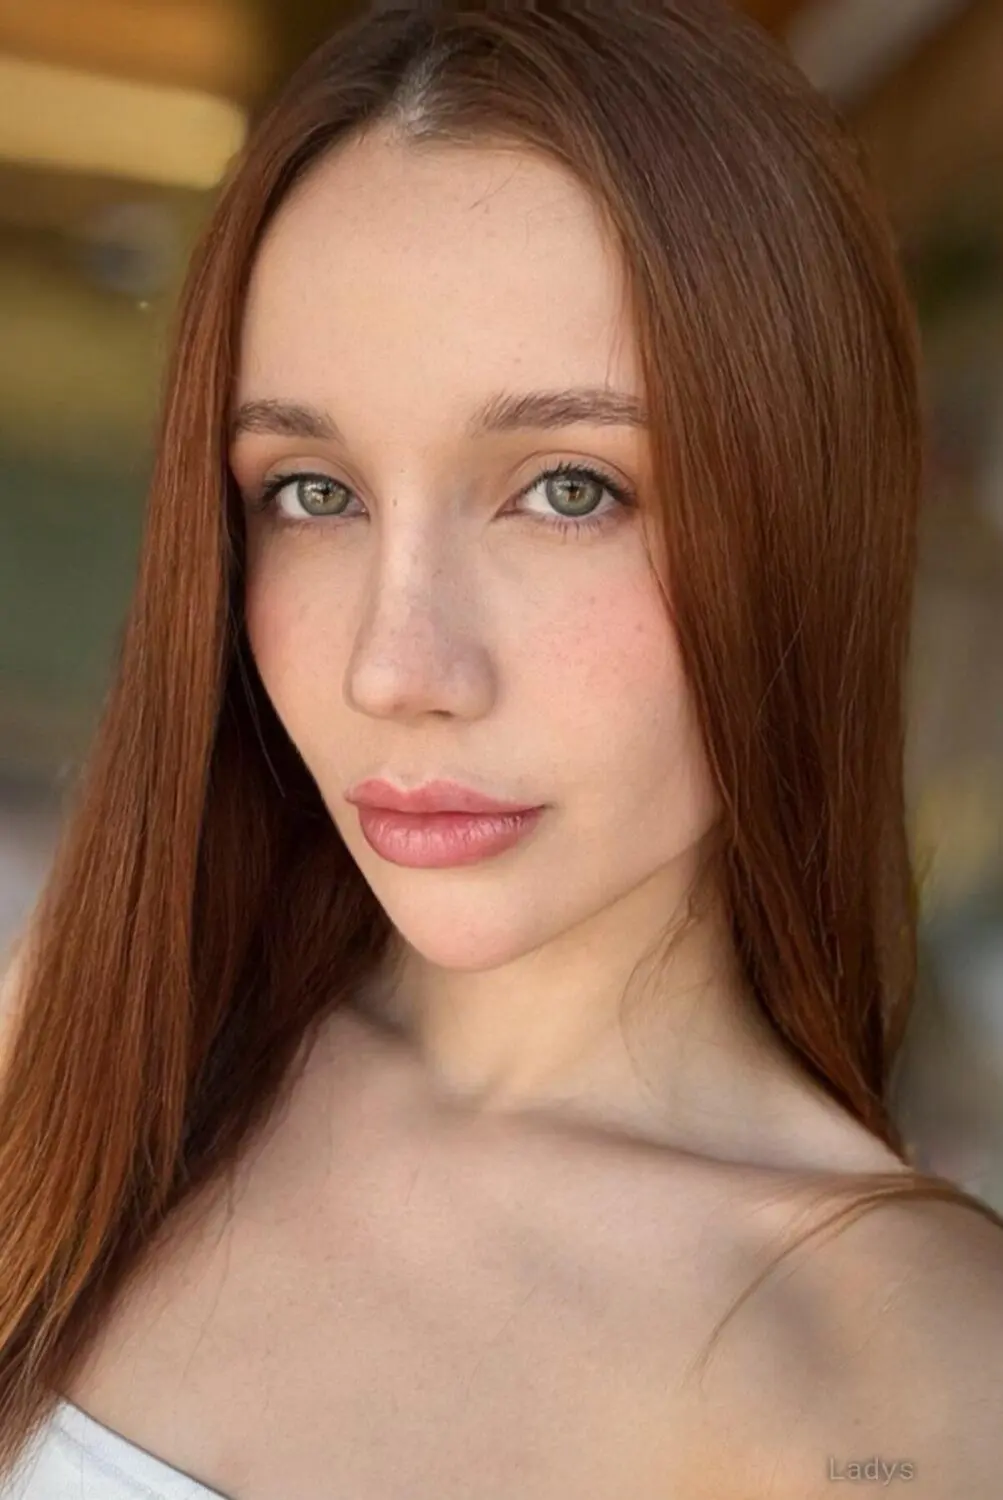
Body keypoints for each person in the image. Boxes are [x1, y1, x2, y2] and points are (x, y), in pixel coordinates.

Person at [1, 2, 1001, 1496]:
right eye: (312, 493)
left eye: (568, 490)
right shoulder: (82, 1059)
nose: (396, 668)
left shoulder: (899, 1373)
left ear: (811, 520)